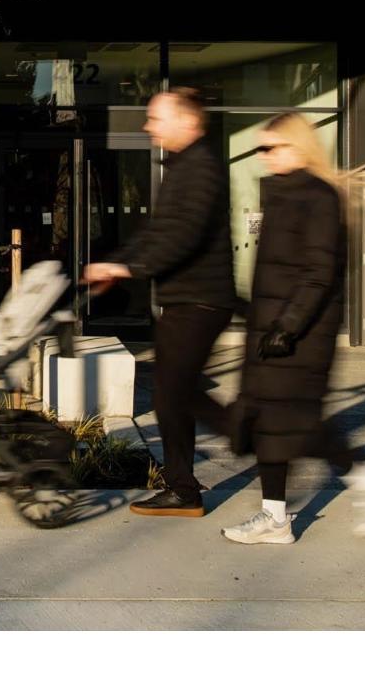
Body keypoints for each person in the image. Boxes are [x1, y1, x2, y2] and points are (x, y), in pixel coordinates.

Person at [221, 112, 365, 546]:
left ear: (297, 147)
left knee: (298, 424)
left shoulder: (318, 197)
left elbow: (319, 271)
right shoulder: (284, 195)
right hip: (273, 330)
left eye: (271, 147)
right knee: (267, 425)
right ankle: (275, 517)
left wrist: (288, 327)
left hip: (301, 335)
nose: (264, 156)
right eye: (260, 149)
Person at [83, 87, 238, 517]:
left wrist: (127, 268)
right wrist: (116, 263)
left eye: (156, 119)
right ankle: (183, 488)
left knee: (174, 392)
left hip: (200, 300)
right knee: (173, 394)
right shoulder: (184, 166)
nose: (148, 127)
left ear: (186, 121)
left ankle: (247, 439)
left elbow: (183, 236)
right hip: (186, 300)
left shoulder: (201, 168)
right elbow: (157, 232)